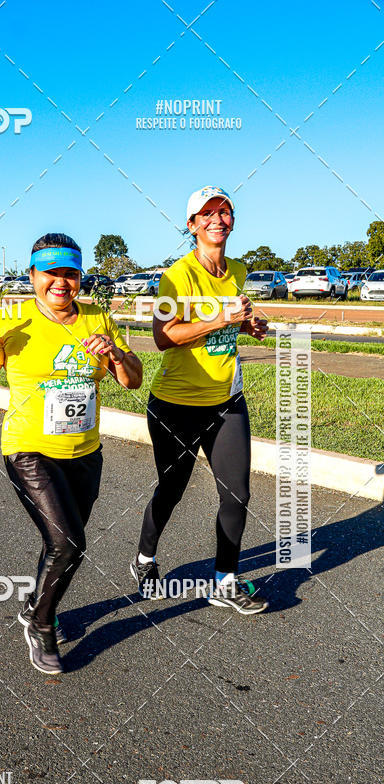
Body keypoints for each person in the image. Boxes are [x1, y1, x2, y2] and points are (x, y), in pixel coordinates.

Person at [0, 233, 142, 673]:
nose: (61, 282)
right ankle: (41, 624)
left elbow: (132, 380)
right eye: (51, 273)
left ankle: (35, 604)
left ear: (80, 277)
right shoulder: (12, 320)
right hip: (29, 448)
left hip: (85, 451)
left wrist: (114, 352)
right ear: (33, 275)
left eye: (70, 274)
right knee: (69, 542)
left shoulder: (98, 317)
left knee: (60, 541)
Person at [130, 186, 269, 614]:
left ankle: (224, 581)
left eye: (224, 212)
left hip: (227, 399)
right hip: (176, 404)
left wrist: (248, 325)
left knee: (237, 493)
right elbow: (162, 337)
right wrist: (219, 318)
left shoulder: (239, 270)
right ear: (191, 226)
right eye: (206, 214)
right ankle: (144, 559)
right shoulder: (177, 276)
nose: (217, 220)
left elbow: (230, 324)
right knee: (172, 489)